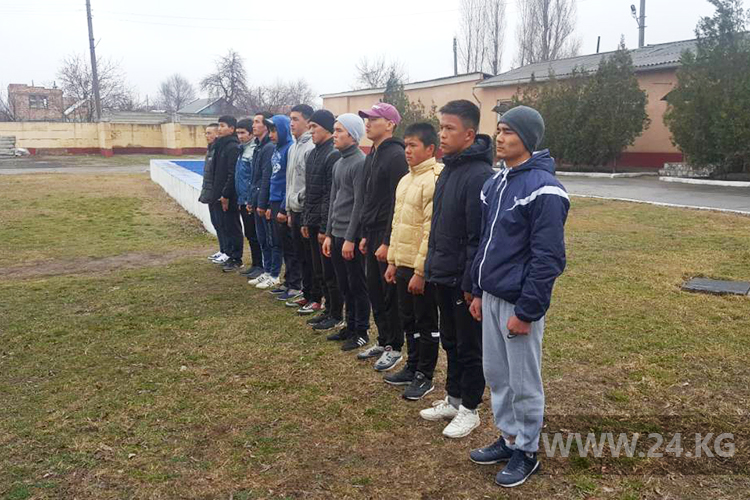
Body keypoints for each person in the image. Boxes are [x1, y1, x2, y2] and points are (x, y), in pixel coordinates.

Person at [468, 106, 569, 488]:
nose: (500, 137)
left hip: (518, 303)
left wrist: (526, 311)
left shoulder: (545, 189)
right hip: (492, 296)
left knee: (522, 380)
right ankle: (509, 437)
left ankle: (527, 450)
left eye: (509, 131)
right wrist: (478, 290)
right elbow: (485, 242)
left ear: (527, 137)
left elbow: (548, 258)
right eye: (499, 130)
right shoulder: (496, 183)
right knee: (497, 375)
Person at [416, 100, 493, 439]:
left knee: (468, 345)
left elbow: (477, 235)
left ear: (469, 134)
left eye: (449, 128)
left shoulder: (479, 175)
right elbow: (439, 226)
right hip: (442, 272)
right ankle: (453, 397)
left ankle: (470, 409)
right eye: (441, 127)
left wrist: (471, 283)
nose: (442, 134)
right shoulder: (449, 169)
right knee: (450, 339)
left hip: (463, 278)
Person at [382, 123, 442, 400]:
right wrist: (392, 262)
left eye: (413, 145)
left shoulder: (434, 179)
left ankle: (425, 374)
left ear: (430, 149)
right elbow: (397, 225)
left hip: (421, 269)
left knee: (426, 321)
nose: (407, 150)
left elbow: (430, 231)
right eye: (405, 145)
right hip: (402, 264)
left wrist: (421, 271)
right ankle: (412, 364)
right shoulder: (406, 180)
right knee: (408, 319)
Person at [355, 103, 409, 372]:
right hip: (372, 232)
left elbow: (395, 203)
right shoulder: (372, 154)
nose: (368, 123)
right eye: (366, 119)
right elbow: (369, 198)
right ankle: (383, 339)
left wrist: (388, 241)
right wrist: (365, 234)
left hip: (387, 234)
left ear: (389, 124)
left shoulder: (396, 156)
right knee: (375, 290)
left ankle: (395, 346)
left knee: (390, 294)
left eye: (374, 119)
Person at [322, 113, 370, 351]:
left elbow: (359, 204)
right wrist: (329, 234)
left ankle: (361, 330)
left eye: (339, 131)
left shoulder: (360, 163)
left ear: (353, 135)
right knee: (344, 284)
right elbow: (334, 199)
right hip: (337, 233)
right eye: (334, 130)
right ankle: (349, 326)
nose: (334, 135)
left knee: (356, 285)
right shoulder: (339, 163)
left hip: (351, 236)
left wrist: (350, 238)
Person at [301, 110, 344, 330]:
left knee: (330, 272)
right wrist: (305, 220)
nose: (311, 132)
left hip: (324, 225)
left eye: (314, 127)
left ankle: (336, 313)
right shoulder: (312, 154)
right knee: (319, 270)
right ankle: (327, 309)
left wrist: (324, 228)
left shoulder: (332, 155)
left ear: (326, 128)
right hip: (312, 221)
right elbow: (310, 191)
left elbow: (330, 195)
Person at [275, 105, 315, 303]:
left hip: (305, 209)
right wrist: (289, 209)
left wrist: (298, 202)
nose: (291, 123)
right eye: (290, 119)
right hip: (294, 210)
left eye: (296, 119)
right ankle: (305, 293)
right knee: (299, 254)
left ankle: (312, 294)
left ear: (308, 122)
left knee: (309, 257)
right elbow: (290, 182)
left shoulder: (311, 148)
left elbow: (310, 184)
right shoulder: (293, 148)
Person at [261, 114, 295, 292]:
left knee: (289, 247)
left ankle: (294, 282)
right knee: (278, 241)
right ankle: (288, 281)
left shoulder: (289, 149)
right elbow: (272, 179)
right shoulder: (276, 149)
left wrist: (283, 206)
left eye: (274, 131)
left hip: (283, 203)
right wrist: (269, 204)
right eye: (269, 131)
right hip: (274, 202)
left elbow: (289, 181)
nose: (271, 135)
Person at [208, 115, 243, 272]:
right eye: (219, 125)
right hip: (218, 193)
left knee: (232, 226)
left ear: (231, 128)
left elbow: (232, 173)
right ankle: (228, 253)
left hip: (229, 196)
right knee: (223, 225)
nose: (219, 129)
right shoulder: (220, 145)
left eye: (223, 125)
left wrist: (226, 194)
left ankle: (236, 258)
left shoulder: (232, 147)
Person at [247, 112, 276, 288]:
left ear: (266, 126)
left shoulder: (268, 148)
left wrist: (263, 202)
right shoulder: (258, 147)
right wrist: (251, 199)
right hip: (257, 199)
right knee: (262, 238)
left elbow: (266, 177)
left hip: (264, 201)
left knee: (269, 239)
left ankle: (272, 273)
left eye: (257, 122)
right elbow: (254, 177)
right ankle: (266, 270)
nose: (253, 125)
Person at [234, 118, 264, 280]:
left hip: (249, 200)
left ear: (251, 134)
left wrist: (250, 199)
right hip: (242, 198)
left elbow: (254, 178)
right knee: (250, 234)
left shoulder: (252, 151)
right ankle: (255, 263)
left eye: (243, 133)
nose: (240, 136)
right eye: (238, 133)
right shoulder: (242, 150)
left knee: (255, 235)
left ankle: (261, 265)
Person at [198, 123, 227, 263]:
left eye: (209, 133)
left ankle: (227, 252)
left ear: (217, 134)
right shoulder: (210, 149)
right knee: (216, 222)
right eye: (206, 133)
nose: (206, 136)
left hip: (218, 193)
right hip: (210, 192)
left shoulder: (219, 150)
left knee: (223, 224)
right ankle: (222, 249)